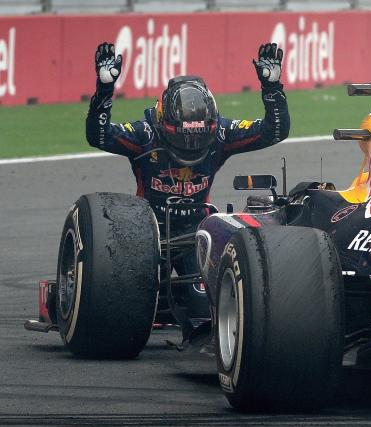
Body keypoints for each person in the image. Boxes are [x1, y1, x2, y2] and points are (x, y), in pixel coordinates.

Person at [85, 41, 289, 339]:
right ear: (165, 122)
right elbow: (99, 136)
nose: (191, 145)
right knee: (129, 304)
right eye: (183, 138)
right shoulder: (145, 134)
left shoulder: (220, 132)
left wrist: (272, 88)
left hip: (197, 232)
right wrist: (104, 90)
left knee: (202, 304)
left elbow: (275, 131)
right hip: (146, 233)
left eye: (196, 138)